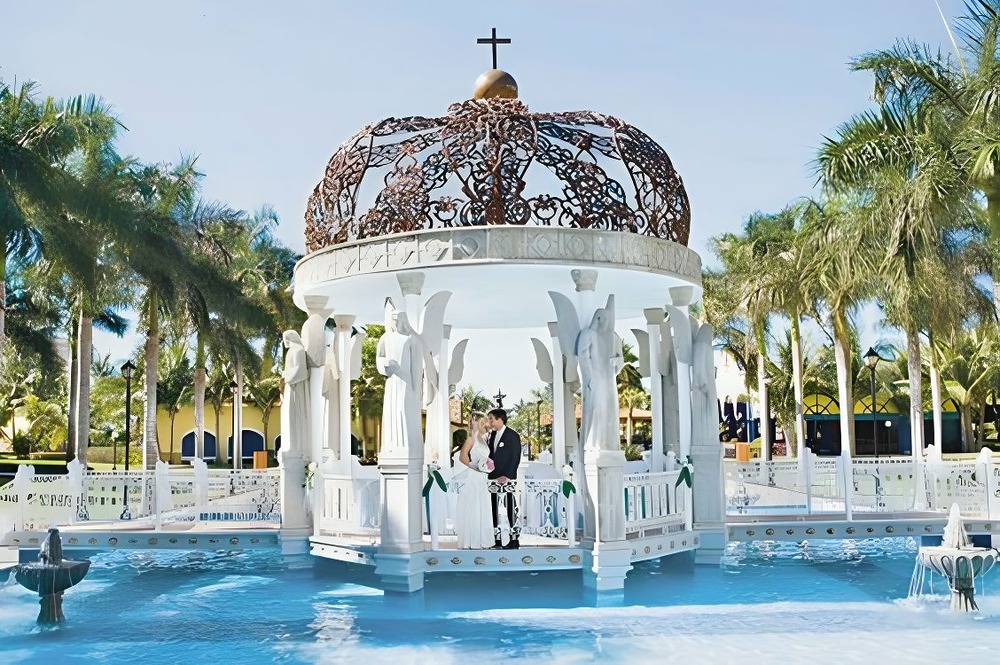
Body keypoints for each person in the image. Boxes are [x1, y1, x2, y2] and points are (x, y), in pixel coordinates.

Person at [451, 412, 495, 549]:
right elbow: (462, 457)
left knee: (482, 507)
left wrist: (487, 465)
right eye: (471, 421)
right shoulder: (471, 439)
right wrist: (476, 467)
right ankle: (472, 541)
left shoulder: (484, 438)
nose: (472, 423)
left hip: (483, 478)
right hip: (473, 477)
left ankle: (482, 540)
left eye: (474, 421)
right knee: (473, 507)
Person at [486, 408, 522, 549]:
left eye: (491, 419)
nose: (490, 422)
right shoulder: (491, 435)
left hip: (508, 480)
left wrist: (507, 475)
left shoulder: (512, 435)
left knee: (510, 509)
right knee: (493, 509)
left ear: (500, 419)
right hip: (493, 480)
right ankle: (497, 540)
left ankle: (514, 540)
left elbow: (515, 457)